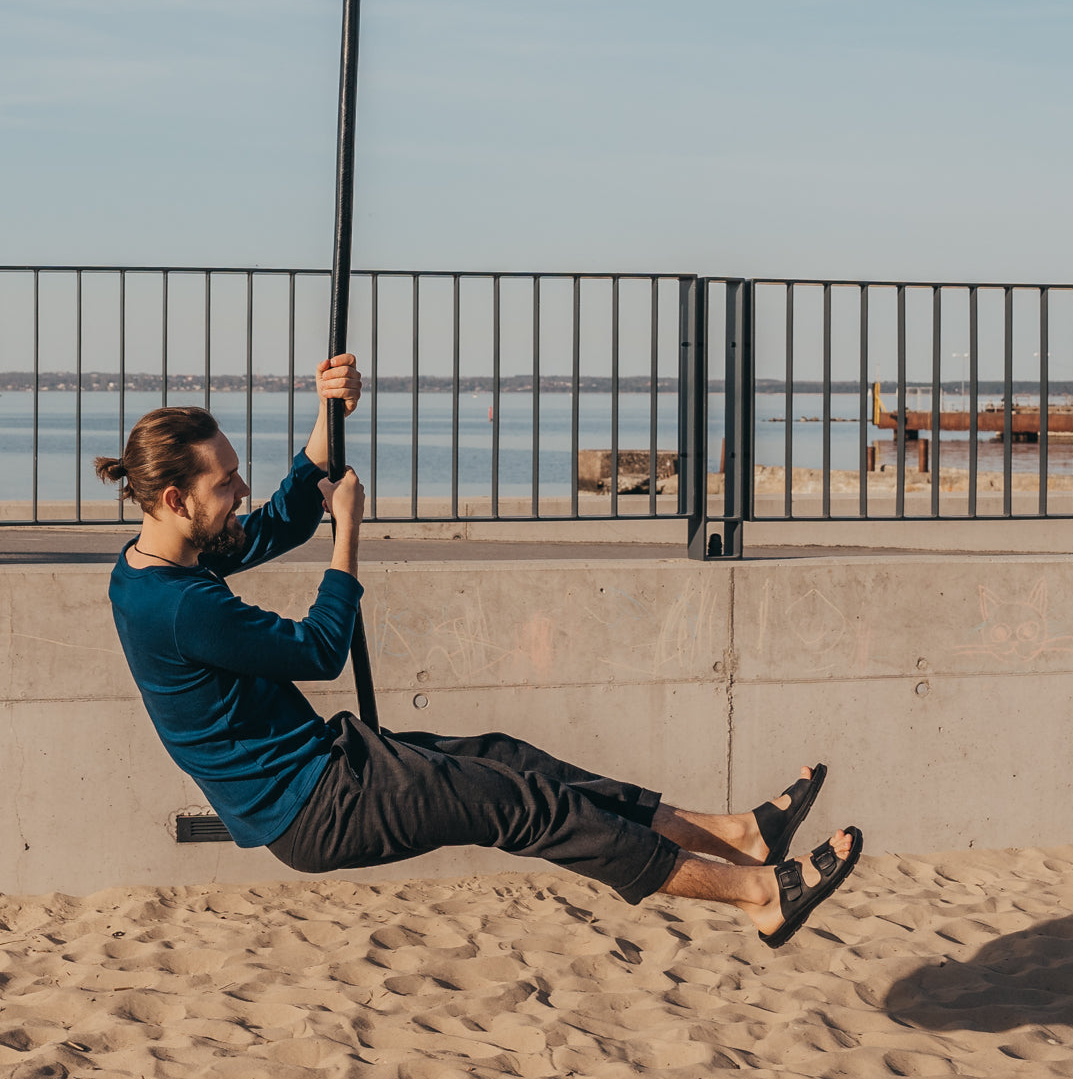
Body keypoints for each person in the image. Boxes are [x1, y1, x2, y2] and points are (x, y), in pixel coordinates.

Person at [94, 356, 861, 948]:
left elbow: (278, 522)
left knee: (515, 760)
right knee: (525, 808)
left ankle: (738, 835)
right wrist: (351, 531)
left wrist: (330, 409)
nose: (240, 489)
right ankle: (758, 895)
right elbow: (321, 648)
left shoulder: (156, 563)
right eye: (226, 481)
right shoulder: (181, 607)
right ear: (174, 498)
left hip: (331, 765)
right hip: (313, 806)